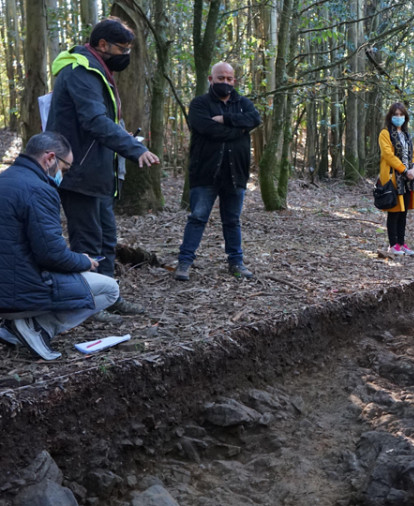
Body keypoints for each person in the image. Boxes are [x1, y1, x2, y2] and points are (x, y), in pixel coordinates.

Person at [47, 17, 160, 320]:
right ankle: (88, 304)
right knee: (87, 241)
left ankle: (108, 296)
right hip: (78, 172)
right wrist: (135, 149)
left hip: (98, 174)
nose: (126, 55)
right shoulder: (80, 71)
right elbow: (95, 121)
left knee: (106, 238)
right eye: (122, 48)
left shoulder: (97, 70)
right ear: (102, 45)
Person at [0, 133, 120, 361]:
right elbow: (51, 255)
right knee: (110, 289)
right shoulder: (40, 190)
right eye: (65, 169)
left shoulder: (5, 179)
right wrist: (85, 261)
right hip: (18, 291)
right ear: (50, 158)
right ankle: (38, 327)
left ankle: (12, 327)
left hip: (9, 283)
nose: (63, 175)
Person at [174, 61, 262, 281]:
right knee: (197, 217)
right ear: (211, 79)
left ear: (234, 80)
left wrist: (226, 119)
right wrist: (239, 130)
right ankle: (184, 263)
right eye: (221, 78)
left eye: (229, 79)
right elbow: (206, 128)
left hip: (236, 173)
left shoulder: (243, 103)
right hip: (205, 173)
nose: (225, 82)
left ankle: (236, 262)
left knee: (232, 220)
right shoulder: (199, 104)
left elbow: (255, 119)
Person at [378, 102, 414, 256]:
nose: (398, 117)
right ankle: (392, 245)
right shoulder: (385, 133)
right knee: (394, 211)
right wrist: (404, 170)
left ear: (405, 117)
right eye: (395, 114)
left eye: (401, 114)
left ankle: (401, 244)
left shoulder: (407, 134)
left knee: (404, 212)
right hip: (394, 177)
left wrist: (413, 168)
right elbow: (388, 155)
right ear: (390, 116)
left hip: (408, 179)